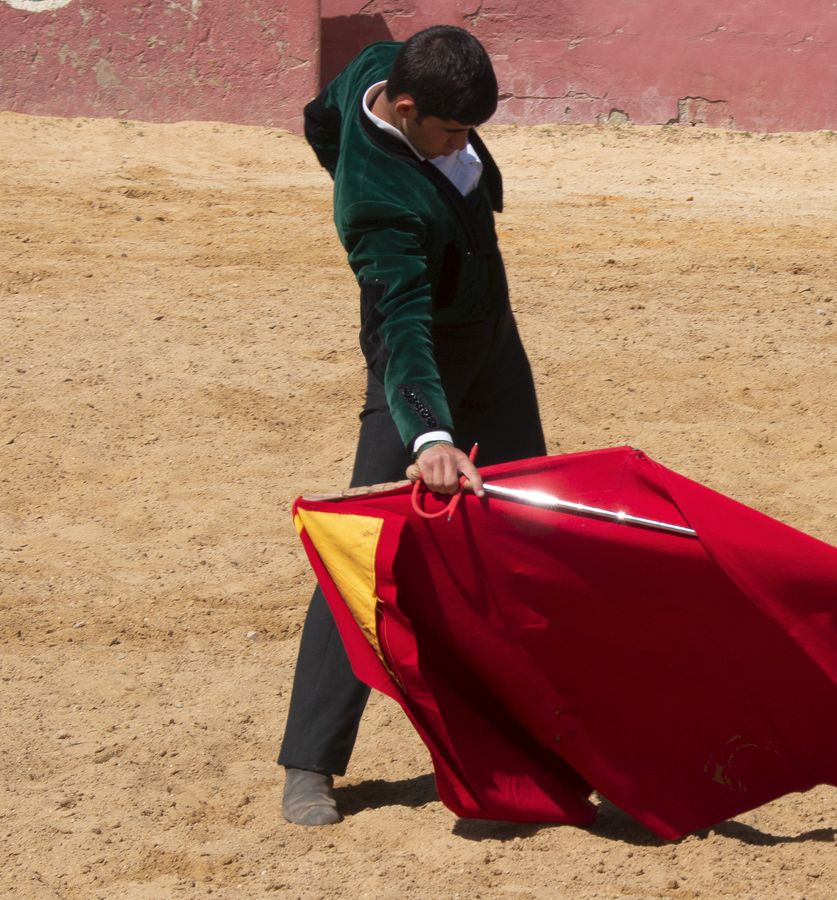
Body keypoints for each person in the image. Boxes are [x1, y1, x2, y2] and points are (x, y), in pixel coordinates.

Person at [278, 25, 548, 826]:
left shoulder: (377, 66)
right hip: (418, 359)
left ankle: (543, 739)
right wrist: (430, 433)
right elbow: (400, 332)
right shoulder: (379, 210)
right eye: (454, 131)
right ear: (404, 108)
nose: (466, 145)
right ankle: (309, 764)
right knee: (365, 545)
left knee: (523, 526)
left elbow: (320, 118)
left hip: (491, 339)